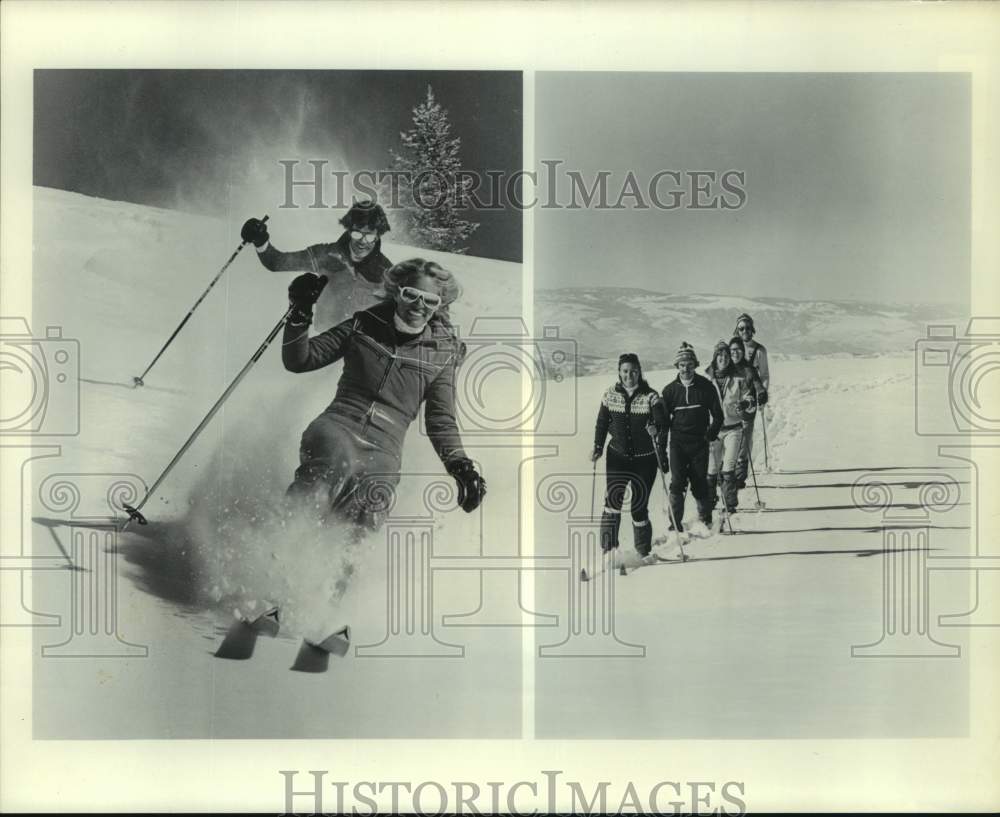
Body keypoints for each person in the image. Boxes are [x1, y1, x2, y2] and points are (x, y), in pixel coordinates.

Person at [280, 258, 486, 536]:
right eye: (411, 295)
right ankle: (282, 538)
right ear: (397, 293)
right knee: (329, 471)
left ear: (439, 305)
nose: (419, 305)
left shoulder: (442, 354)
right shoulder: (363, 325)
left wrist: (461, 466)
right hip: (339, 425)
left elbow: (440, 420)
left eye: (430, 300)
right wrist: (300, 314)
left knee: (370, 503)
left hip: (384, 449)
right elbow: (300, 360)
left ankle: (339, 562)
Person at [241, 200, 394, 326]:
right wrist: (260, 240)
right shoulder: (326, 254)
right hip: (322, 343)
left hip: (361, 347)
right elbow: (276, 262)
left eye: (370, 236)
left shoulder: (387, 272)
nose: (362, 242)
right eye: (357, 233)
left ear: (378, 236)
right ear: (349, 231)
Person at [591, 353, 667, 557]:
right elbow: (602, 423)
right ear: (619, 372)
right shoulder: (609, 395)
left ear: (639, 372)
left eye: (633, 371)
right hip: (617, 457)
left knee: (638, 507)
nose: (629, 375)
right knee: (612, 501)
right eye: (625, 371)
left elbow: (662, 421)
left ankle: (643, 552)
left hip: (645, 460)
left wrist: (656, 428)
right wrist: (598, 447)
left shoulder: (651, 396)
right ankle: (609, 551)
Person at [660, 342, 723, 532]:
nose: (685, 369)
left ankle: (705, 518)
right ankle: (675, 524)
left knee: (699, 482)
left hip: (700, 443)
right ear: (677, 366)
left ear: (695, 365)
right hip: (678, 444)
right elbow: (663, 424)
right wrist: (661, 451)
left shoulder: (706, 387)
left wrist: (711, 433)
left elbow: (718, 416)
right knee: (677, 483)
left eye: (689, 364)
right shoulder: (669, 391)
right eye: (682, 365)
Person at [704, 340, 765, 515]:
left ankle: (730, 505)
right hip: (713, 431)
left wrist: (745, 404)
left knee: (728, 467)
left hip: (733, 428)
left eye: (726, 355)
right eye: (720, 355)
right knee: (711, 470)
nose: (723, 358)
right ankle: (709, 503)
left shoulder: (738, 377)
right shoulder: (706, 380)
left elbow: (749, 398)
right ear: (715, 357)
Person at [733, 312, 770, 486]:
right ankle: (728, 470)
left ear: (752, 329)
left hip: (750, 396)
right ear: (737, 330)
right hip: (732, 396)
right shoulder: (732, 348)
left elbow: (764, 375)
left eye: (748, 328)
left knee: (746, 433)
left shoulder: (759, 350)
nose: (745, 331)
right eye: (741, 328)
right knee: (731, 432)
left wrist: (762, 393)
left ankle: (740, 473)